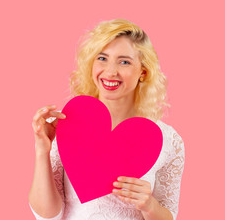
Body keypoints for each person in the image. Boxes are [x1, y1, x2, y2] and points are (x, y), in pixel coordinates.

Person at [29, 19, 185, 220]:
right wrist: (42, 150)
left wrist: (149, 205)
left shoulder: (168, 140)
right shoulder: (67, 126)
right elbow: (47, 216)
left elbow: (169, 216)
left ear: (143, 72)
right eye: (102, 58)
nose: (111, 71)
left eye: (124, 62)